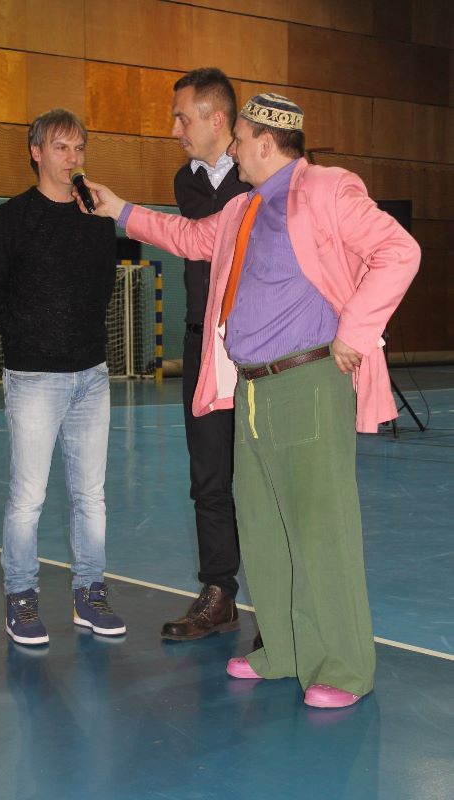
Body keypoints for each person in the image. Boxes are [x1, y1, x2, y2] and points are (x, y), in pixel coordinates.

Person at [75, 92, 420, 708]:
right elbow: (187, 236)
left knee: (321, 530)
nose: (231, 149)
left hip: (309, 381)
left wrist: (356, 330)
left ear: (266, 141)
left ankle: (343, 668)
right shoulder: (242, 208)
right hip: (253, 388)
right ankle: (283, 651)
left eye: (238, 139)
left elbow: (399, 252)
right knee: (263, 528)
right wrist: (120, 209)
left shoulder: (329, 189)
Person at [0, 108, 125, 646]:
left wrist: (81, 338)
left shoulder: (97, 219)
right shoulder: (11, 219)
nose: (73, 158)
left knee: (91, 496)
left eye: (79, 148)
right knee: (28, 497)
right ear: (36, 152)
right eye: (61, 147)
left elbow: (103, 286)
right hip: (34, 378)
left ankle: (90, 592)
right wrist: (29, 336)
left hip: (92, 375)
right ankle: (21, 597)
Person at [162, 68, 251, 641]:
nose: (175, 130)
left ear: (217, 119)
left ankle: (285, 606)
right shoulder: (187, 181)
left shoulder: (261, 175)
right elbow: (207, 235)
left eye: (182, 117)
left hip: (258, 347)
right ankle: (219, 593)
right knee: (209, 475)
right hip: (202, 344)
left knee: (268, 477)